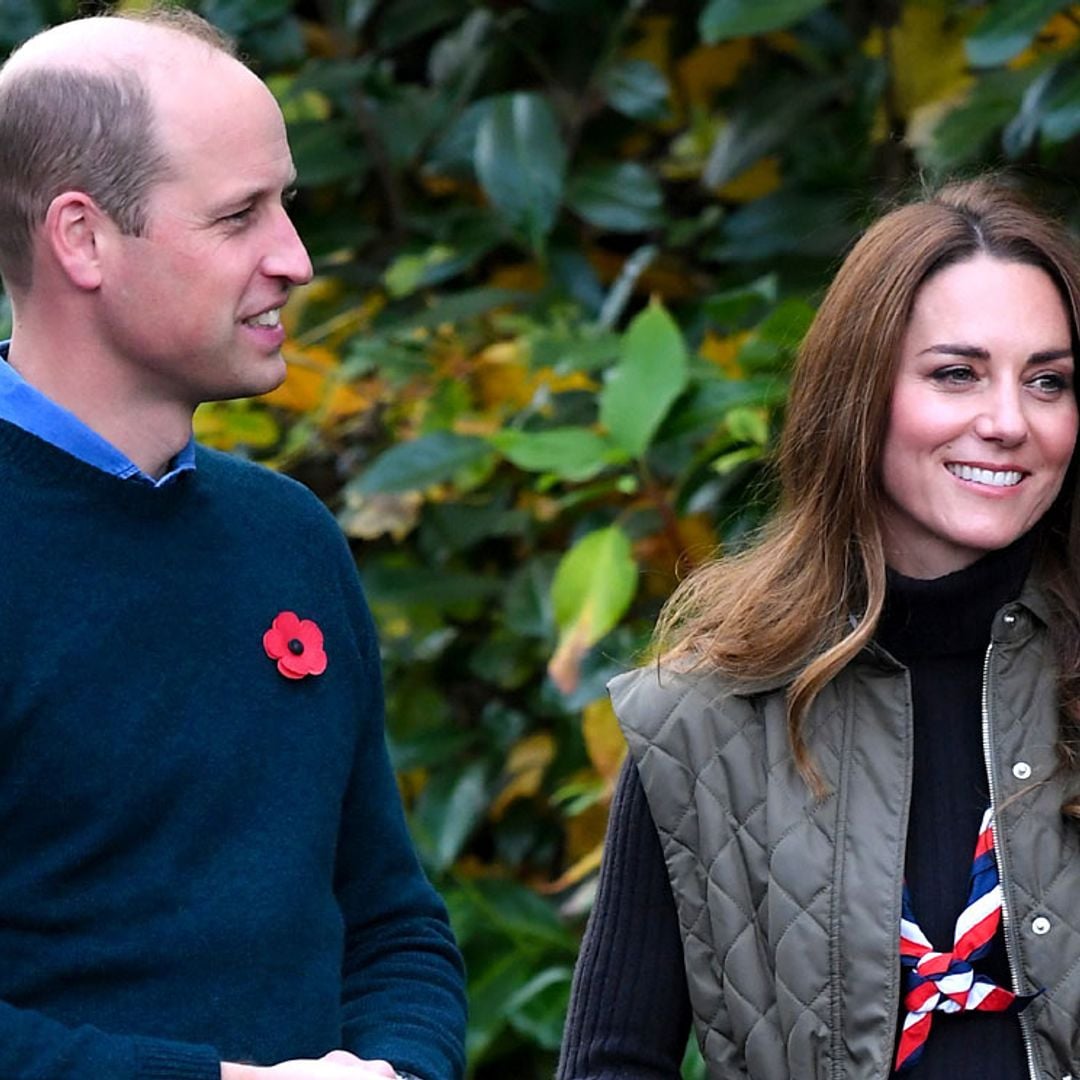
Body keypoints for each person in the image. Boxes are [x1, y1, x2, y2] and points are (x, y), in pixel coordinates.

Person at [0, 9, 465, 1080]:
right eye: (238, 215)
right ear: (82, 238)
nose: (296, 260)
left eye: (285, 204)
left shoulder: (288, 540)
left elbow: (391, 922)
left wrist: (394, 1068)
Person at [557, 178, 1080, 1079]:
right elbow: (613, 1061)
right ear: (860, 393)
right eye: (956, 373)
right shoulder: (707, 715)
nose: (1008, 422)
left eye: (1049, 382)